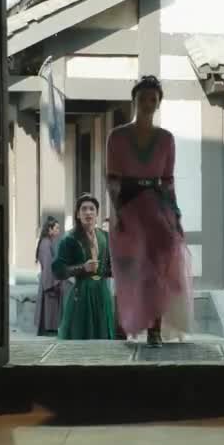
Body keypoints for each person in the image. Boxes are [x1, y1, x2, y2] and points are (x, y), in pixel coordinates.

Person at [106, 75, 195, 348]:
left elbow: (168, 181)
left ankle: (154, 329)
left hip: (157, 206)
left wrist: (175, 215)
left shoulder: (166, 139)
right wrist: (118, 212)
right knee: (130, 270)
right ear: (134, 100)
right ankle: (125, 327)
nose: (147, 103)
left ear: (158, 103)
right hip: (128, 206)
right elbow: (112, 179)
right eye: (143, 98)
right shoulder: (117, 136)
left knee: (159, 269)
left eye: (153, 99)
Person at [52, 194, 117, 340]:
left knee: (103, 338)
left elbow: (108, 268)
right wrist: (82, 268)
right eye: (84, 209)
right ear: (77, 214)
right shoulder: (69, 239)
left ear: (97, 213)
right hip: (81, 294)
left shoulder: (105, 237)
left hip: (102, 293)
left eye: (92, 209)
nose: (88, 212)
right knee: (80, 337)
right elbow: (58, 270)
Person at [35, 216, 66, 336]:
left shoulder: (47, 242)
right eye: (56, 228)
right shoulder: (46, 244)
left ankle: (49, 330)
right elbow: (48, 265)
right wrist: (54, 283)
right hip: (49, 282)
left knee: (49, 312)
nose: (58, 230)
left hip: (48, 280)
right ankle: (49, 331)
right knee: (49, 312)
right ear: (50, 229)